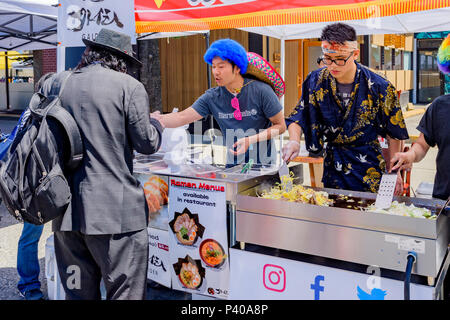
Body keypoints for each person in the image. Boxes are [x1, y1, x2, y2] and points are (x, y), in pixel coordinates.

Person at [39, 28, 163, 300]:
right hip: (116, 214)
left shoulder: (55, 84)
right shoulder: (129, 87)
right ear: (120, 61)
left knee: (78, 295)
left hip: (66, 213)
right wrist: (157, 124)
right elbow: (146, 143)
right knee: (125, 293)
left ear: (90, 53)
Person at [282, 23, 409, 194]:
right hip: (333, 166)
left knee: (367, 216)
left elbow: (395, 132)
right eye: (327, 58)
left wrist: (394, 173)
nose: (333, 65)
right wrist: (294, 140)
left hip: (367, 166)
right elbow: (299, 115)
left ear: (355, 54)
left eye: (340, 59)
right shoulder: (315, 80)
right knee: (335, 214)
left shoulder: (379, 86)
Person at [152, 39, 286, 167]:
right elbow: (182, 117)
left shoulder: (261, 91)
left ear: (237, 68)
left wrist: (251, 139)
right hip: (233, 168)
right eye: (213, 67)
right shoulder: (212, 97)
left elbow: (280, 126)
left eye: (221, 66)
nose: (216, 72)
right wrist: (154, 119)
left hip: (264, 166)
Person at [391, 34, 450, 300]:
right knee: (442, 273)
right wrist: (409, 156)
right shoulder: (440, 107)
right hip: (445, 205)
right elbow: (422, 146)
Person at [14, 72, 55, 301]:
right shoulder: (48, 112)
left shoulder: (28, 112)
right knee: (33, 236)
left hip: (31, 186)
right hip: (44, 185)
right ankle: (30, 284)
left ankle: (29, 286)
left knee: (30, 236)